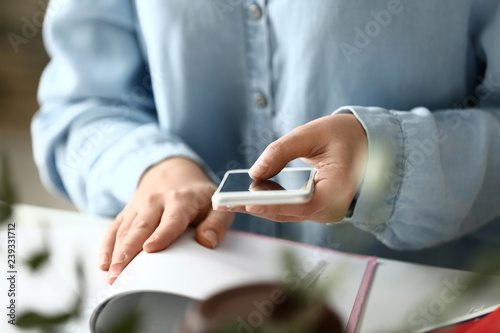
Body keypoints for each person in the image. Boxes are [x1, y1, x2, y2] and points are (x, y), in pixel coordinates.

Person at [32, 0, 500, 284]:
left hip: (427, 303)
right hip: (179, 297)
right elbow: (78, 105)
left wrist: (385, 163)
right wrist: (153, 166)